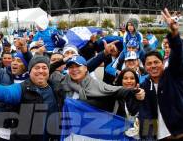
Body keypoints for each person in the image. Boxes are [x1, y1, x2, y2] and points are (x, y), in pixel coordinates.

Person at [0, 55, 60, 141]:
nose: (40, 71)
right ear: (30, 71)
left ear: (48, 71)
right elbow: (6, 92)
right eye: (36, 68)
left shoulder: (55, 88)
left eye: (44, 68)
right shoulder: (22, 88)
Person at [139, 8, 183, 140]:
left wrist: (174, 33)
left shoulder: (173, 75)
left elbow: (178, 55)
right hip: (160, 137)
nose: (153, 66)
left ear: (162, 63)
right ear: (145, 67)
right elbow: (145, 114)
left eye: (156, 62)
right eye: (149, 63)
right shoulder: (144, 86)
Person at [57, 55, 145, 114]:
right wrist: (62, 60)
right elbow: (47, 71)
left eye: (77, 66)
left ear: (85, 68)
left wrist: (135, 91)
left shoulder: (97, 85)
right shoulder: (61, 82)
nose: (74, 69)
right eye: (71, 67)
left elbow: (115, 91)